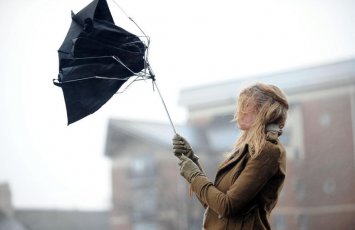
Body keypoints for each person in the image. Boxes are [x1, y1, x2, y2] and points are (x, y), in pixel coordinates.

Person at [172, 82, 289, 230]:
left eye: (245, 104)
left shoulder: (268, 151)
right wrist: (192, 161)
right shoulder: (246, 150)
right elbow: (214, 206)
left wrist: (194, 176)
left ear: (262, 110)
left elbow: (227, 206)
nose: (239, 110)